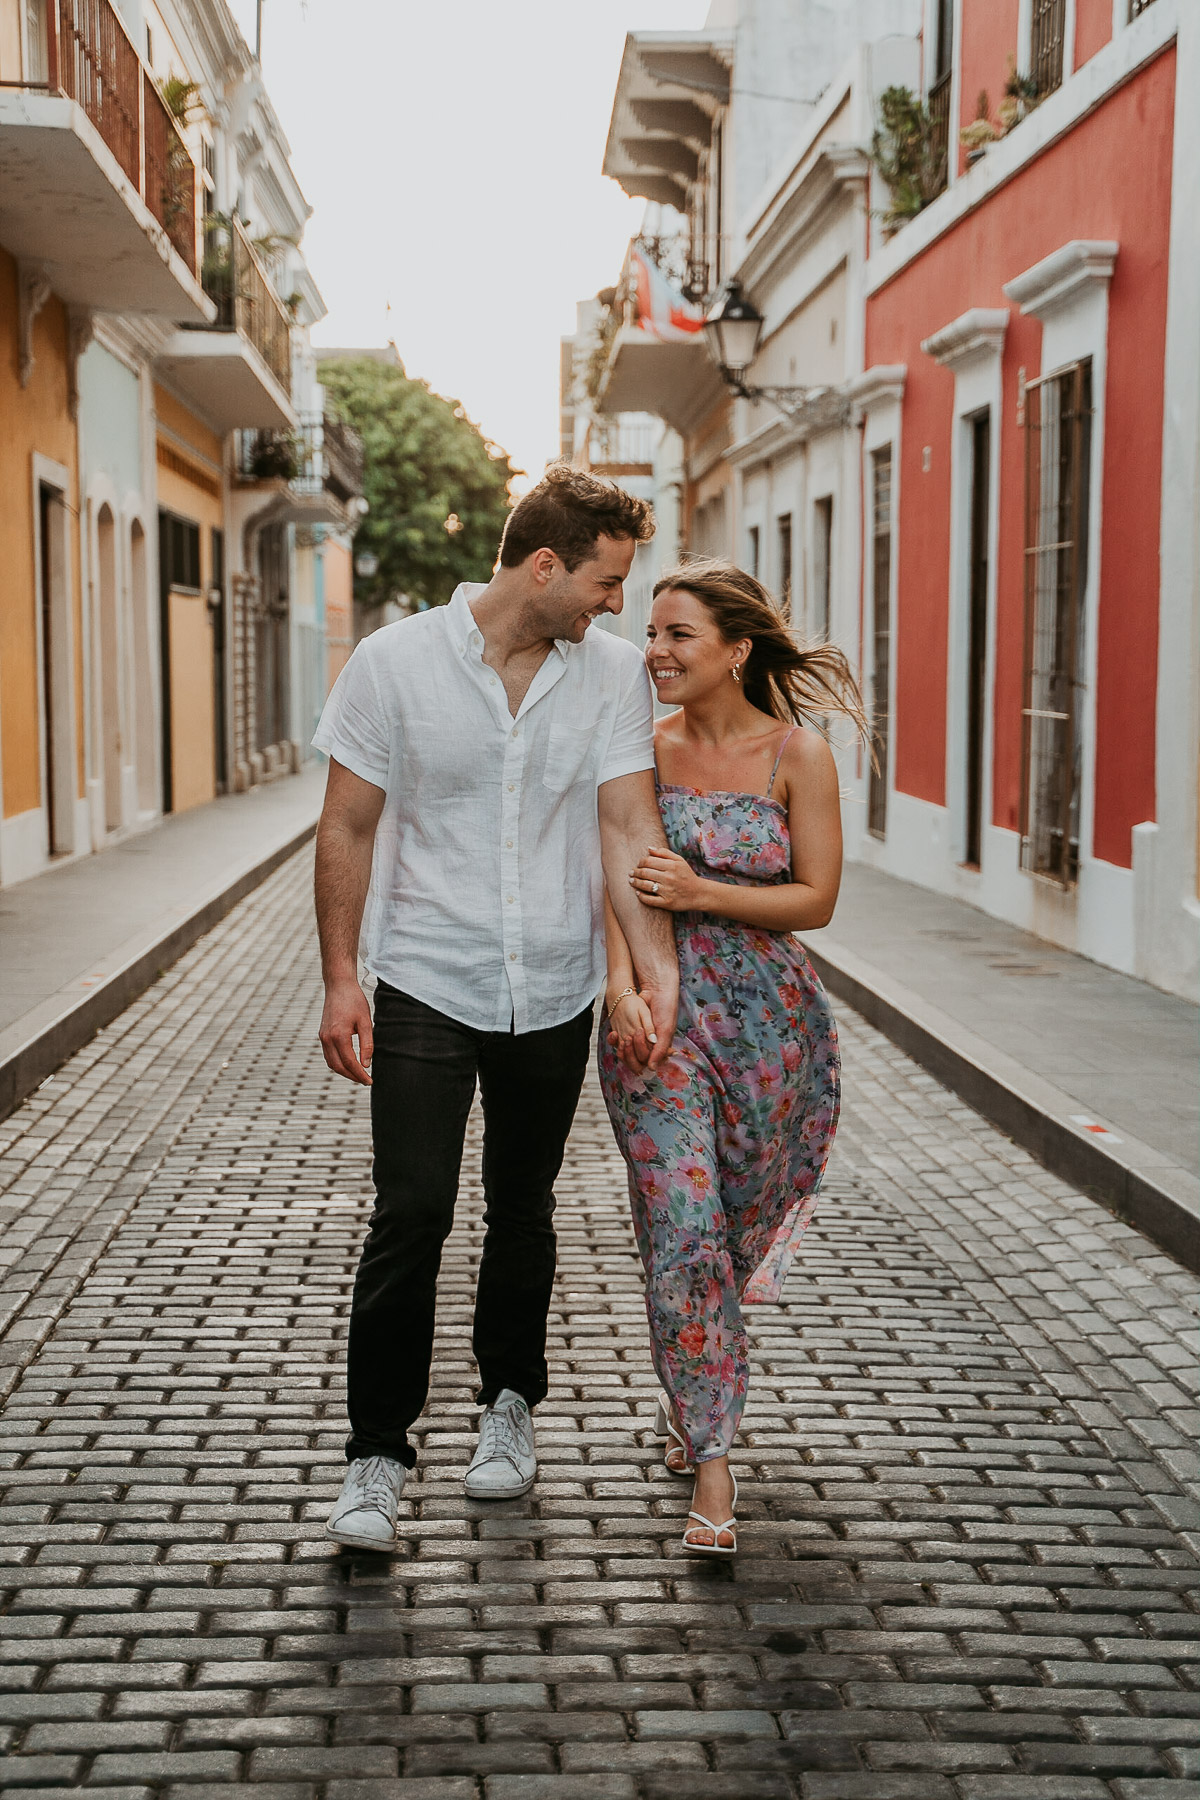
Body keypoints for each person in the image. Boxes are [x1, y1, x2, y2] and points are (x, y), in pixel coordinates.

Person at [313, 465, 679, 1552]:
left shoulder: (612, 678)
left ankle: (508, 1407)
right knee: (412, 1209)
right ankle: (376, 1456)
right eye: (610, 582)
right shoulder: (393, 665)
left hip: (557, 980)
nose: (622, 606)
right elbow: (346, 828)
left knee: (523, 1206)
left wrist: (647, 973)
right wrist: (342, 977)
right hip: (428, 972)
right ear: (546, 564)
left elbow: (624, 828)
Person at [598, 558, 870, 1557]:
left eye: (679, 636)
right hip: (658, 1026)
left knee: (735, 1221)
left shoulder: (797, 757)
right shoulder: (636, 749)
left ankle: (688, 1382)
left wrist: (703, 892)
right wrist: (624, 988)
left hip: (772, 1034)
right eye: (653, 634)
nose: (656, 652)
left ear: (737, 650)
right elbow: (615, 885)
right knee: (684, 1232)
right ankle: (712, 1463)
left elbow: (816, 900)